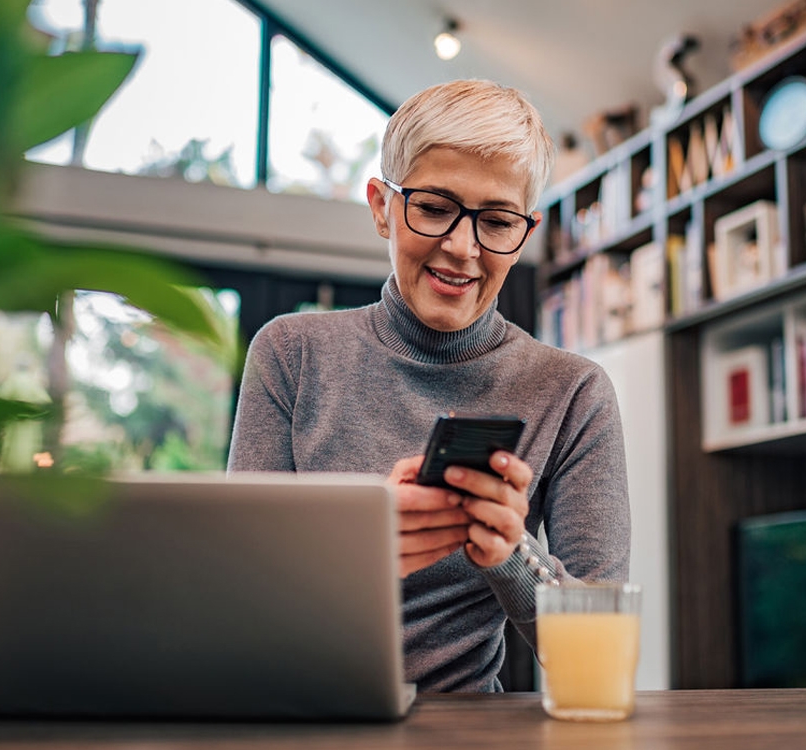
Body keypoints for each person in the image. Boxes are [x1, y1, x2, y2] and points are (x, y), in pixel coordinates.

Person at [227, 79, 630, 693]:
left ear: (525, 232)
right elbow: (238, 598)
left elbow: (599, 659)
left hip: (467, 730)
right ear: (381, 206)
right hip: (301, 717)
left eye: (496, 221)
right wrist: (359, 547)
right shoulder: (291, 354)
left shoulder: (572, 393)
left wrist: (509, 554)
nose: (462, 248)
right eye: (435, 208)